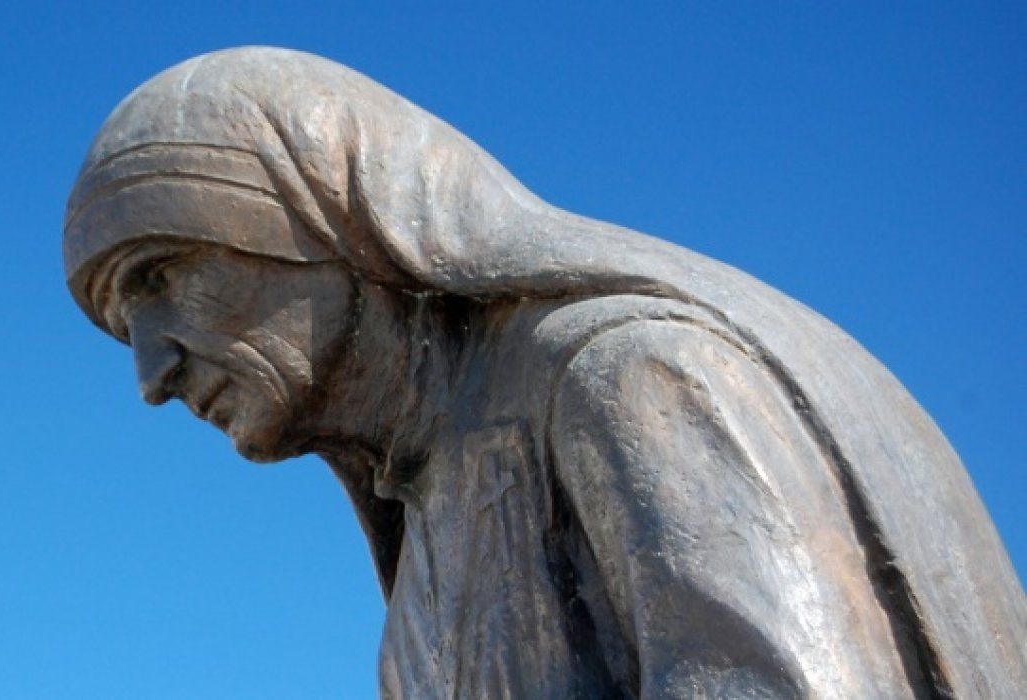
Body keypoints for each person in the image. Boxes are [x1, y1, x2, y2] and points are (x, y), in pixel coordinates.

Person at [63, 47, 1025, 697]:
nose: (151, 373)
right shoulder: (421, 558)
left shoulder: (634, 376)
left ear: (321, 211)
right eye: (122, 325)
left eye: (161, 277)